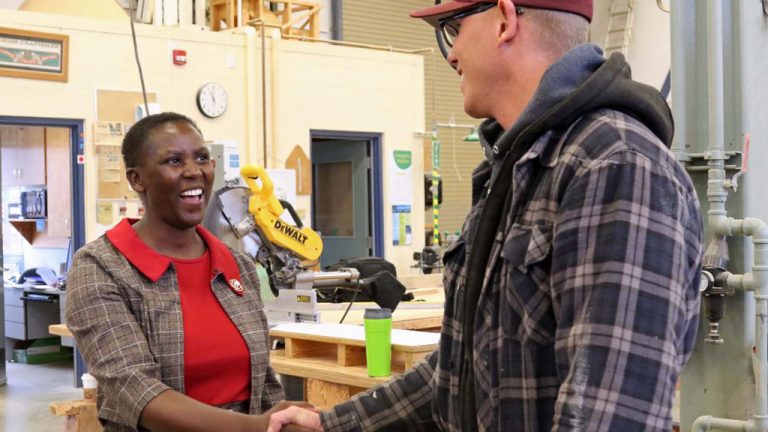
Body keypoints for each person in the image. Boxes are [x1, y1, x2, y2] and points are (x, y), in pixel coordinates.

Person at [269, 0, 703, 431]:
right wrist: (333, 425)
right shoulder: (517, 168)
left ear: (504, 20)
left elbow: (607, 415)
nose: (452, 54)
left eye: (454, 29)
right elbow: (461, 371)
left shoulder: (613, 166)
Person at [66, 112, 312, 431]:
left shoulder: (234, 266)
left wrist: (283, 418)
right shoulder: (101, 268)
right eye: (174, 161)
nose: (194, 171)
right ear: (136, 179)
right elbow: (137, 392)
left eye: (201, 158)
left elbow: (264, 384)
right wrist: (257, 428)